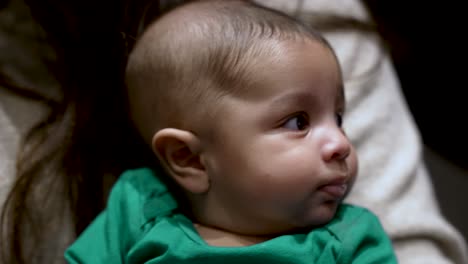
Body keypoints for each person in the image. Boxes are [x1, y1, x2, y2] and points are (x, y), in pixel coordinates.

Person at [0, 0, 466, 263]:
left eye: (338, 118)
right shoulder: (139, 208)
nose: (341, 143)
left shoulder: (349, 239)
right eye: (298, 123)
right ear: (190, 159)